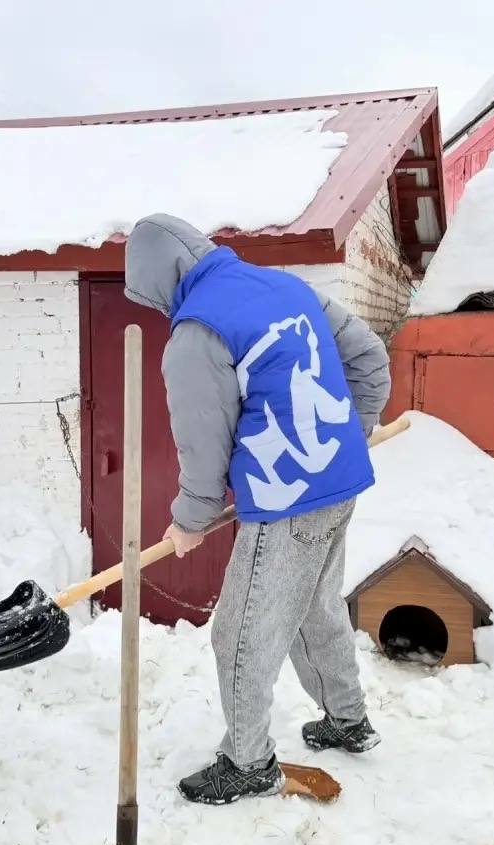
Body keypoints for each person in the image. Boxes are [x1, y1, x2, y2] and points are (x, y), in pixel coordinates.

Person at [123, 213, 392, 805]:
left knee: (241, 633)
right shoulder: (286, 287)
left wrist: (191, 519)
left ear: (161, 277)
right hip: (338, 484)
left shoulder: (198, 332)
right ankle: (347, 721)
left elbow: (203, 445)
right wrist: (356, 427)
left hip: (286, 502)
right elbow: (369, 357)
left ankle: (247, 762)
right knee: (314, 609)